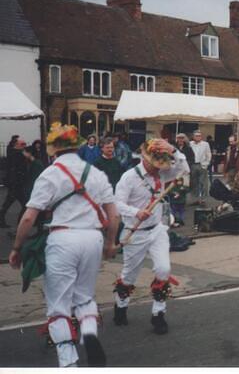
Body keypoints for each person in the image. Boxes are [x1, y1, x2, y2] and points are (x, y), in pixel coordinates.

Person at [9, 123, 119, 367]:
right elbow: (114, 215)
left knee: (59, 304)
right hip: (92, 238)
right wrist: (110, 243)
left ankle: (69, 362)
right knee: (84, 296)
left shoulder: (50, 174)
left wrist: (17, 248)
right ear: (77, 147)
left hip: (62, 239)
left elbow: (28, 217)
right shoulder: (96, 173)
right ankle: (89, 334)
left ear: (53, 151)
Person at [113, 138, 189, 334]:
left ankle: (158, 315)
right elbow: (117, 204)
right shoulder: (129, 177)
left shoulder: (163, 172)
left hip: (157, 230)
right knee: (129, 275)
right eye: (155, 165)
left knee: (164, 269)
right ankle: (121, 306)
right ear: (145, 160)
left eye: (160, 165)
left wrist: (173, 150)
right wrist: (135, 212)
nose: (159, 168)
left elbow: (183, 169)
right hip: (135, 232)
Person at [0, 138, 28, 229]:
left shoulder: (16, 153)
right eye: (22, 144)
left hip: (16, 183)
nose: (25, 145)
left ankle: (2, 220)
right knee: (24, 204)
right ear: (16, 144)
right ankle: (21, 225)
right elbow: (14, 169)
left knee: (8, 203)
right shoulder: (16, 154)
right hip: (16, 184)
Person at [190, 131, 211, 206]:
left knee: (203, 183)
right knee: (194, 183)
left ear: (201, 137)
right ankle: (196, 199)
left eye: (199, 136)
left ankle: (203, 199)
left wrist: (206, 164)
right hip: (193, 165)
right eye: (196, 136)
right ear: (193, 137)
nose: (197, 137)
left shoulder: (205, 144)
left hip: (202, 165)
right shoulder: (190, 144)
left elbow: (209, 154)